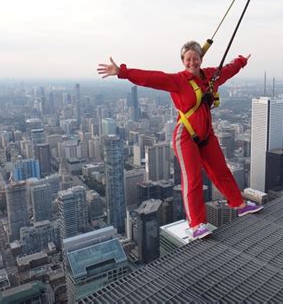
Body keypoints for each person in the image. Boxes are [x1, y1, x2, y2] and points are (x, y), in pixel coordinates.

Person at [97, 41, 263, 239]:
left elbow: (227, 71)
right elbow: (150, 78)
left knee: (221, 171)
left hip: (206, 134)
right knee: (192, 178)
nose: (192, 62)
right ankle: (196, 225)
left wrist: (241, 61)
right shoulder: (177, 80)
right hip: (185, 136)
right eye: (188, 59)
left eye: (196, 58)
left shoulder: (210, 75)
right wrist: (122, 71)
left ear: (201, 59)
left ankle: (240, 205)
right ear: (183, 61)